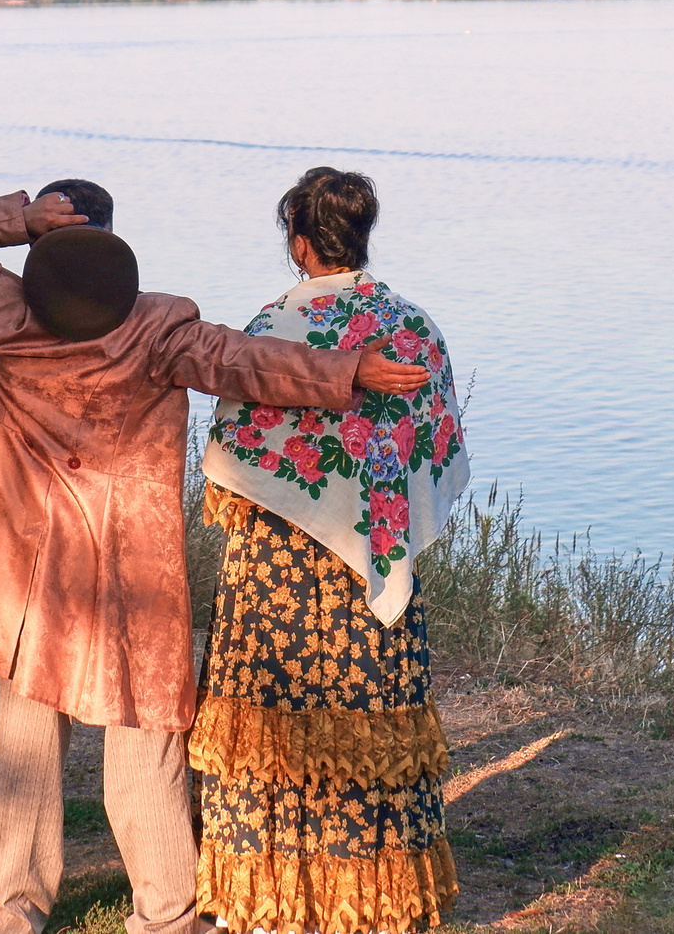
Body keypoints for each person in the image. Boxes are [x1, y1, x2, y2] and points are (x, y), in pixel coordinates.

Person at [0, 185, 431, 934]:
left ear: (43, 245)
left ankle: (16, 909)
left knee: (26, 738)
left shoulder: (1, 310)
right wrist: (349, 373)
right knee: (144, 740)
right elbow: (246, 362)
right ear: (114, 240)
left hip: (25, 573)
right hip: (127, 572)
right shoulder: (154, 325)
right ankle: (166, 913)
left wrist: (18, 219)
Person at [192, 168, 472, 934]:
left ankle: (268, 901)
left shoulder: (273, 324)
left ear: (300, 241)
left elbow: (233, 454)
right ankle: (377, 903)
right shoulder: (415, 328)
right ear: (362, 234)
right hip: (371, 569)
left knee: (272, 724)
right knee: (367, 723)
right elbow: (436, 451)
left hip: (275, 567)